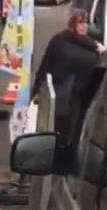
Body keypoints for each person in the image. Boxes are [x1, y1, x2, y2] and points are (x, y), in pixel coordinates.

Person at [31, 8, 101, 144]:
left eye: (86, 22)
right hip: (61, 96)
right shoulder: (62, 40)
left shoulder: (88, 44)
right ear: (73, 24)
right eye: (80, 22)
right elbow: (78, 58)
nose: (83, 26)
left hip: (78, 96)